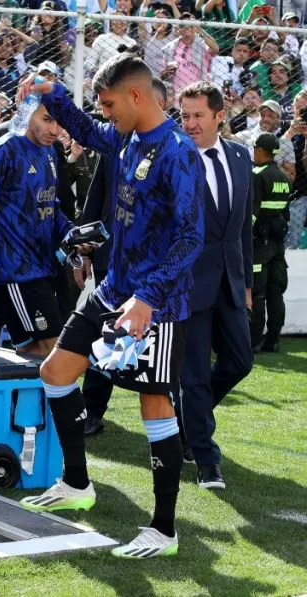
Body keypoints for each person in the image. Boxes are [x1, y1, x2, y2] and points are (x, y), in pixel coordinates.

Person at [15, 54, 205, 559]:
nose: (106, 114)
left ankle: (163, 530)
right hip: (113, 290)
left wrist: (148, 298)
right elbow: (79, 124)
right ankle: (77, 483)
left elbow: (190, 239)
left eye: (110, 104)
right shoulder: (126, 138)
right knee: (56, 372)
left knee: (154, 406)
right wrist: (49, 92)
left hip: (156, 304)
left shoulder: (178, 153)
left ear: (138, 96)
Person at [75, 77, 170, 437]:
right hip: (113, 264)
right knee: (107, 334)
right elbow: (96, 198)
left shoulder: (174, 149)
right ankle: (92, 410)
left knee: (159, 345)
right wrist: (81, 250)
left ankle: (169, 421)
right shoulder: (117, 143)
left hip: (160, 273)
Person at [176, 81, 254, 490]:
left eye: (197, 115)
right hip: (188, 285)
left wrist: (247, 284)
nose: (189, 123)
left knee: (241, 361)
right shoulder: (173, 158)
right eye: (184, 115)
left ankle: (189, 421)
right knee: (195, 378)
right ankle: (206, 460)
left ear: (219, 116)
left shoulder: (241, 157)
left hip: (231, 281)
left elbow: (242, 229)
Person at [0, 104, 73, 357]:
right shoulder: (3, 151)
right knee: (52, 350)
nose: (55, 129)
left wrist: (72, 234)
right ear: (28, 113)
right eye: (47, 119)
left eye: (59, 122)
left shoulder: (50, 151)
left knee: (31, 352)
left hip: (41, 268)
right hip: (18, 272)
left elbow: (51, 206)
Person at [250, 133, 294, 353]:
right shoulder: (284, 177)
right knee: (276, 293)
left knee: (258, 292)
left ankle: (254, 340)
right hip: (278, 244)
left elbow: (252, 213)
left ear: (259, 150)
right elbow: (285, 213)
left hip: (260, 243)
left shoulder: (257, 175)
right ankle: (273, 339)